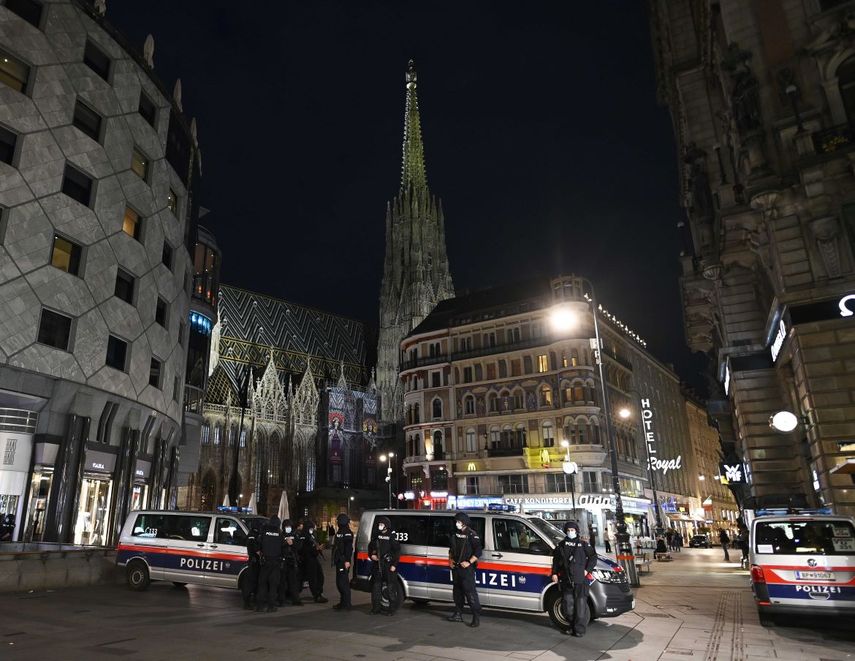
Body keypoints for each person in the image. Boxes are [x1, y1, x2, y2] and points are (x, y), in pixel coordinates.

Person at [551, 520, 597, 637]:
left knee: (580, 606)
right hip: (566, 580)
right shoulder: (561, 545)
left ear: (576, 531)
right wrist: (554, 573)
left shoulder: (583, 544)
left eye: (572, 530)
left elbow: (593, 557)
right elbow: (556, 560)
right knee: (568, 607)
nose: (570, 532)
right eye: (568, 530)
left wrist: (587, 570)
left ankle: (579, 630)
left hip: (581, 580)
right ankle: (571, 626)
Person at [447, 512, 483, 627]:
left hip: (466, 570)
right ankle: (458, 614)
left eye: (459, 522)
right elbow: (451, 549)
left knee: (470, 592)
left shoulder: (472, 534)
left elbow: (478, 551)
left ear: (464, 522)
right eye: (456, 521)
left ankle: (476, 617)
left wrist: (469, 562)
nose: (457, 524)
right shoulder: (455, 534)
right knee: (457, 592)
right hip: (456, 568)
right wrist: (450, 560)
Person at [369, 515, 401, 615]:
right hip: (378, 565)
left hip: (388, 565)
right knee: (376, 588)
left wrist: (394, 565)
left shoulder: (391, 536)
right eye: (379, 524)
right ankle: (376, 608)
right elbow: (371, 547)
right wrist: (371, 555)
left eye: (382, 524)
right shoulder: (376, 535)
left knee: (390, 588)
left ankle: (392, 609)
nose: (380, 526)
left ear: (386, 525)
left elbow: (397, 551)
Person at [256, 515, 283, 613]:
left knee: (262, 584)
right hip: (275, 562)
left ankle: (260, 606)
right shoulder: (280, 534)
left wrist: (260, 552)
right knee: (273, 585)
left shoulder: (264, 532)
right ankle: (271, 606)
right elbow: (283, 547)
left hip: (265, 562)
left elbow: (258, 545)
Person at [299, 519, 329, 603]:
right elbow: (303, 550)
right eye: (311, 528)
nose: (312, 529)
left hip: (314, 558)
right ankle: (317, 595)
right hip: (308, 559)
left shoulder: (311, 535)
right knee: (313, 578)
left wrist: (318, 548)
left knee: (320, 576)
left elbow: (314, 544)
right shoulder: (303, 536)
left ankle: (319, 593)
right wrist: (315, 549)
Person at [332, 512, 354, 610]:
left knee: (343, 583)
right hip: (339, 560)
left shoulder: (347, 532)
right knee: (340, 582)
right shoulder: (341, 531)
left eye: (338, 521)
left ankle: (346, 604)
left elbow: (349, 548)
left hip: (343, 560)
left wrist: (347, 560)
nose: (337, 523)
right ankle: (343, 603)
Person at [278, 519, 302, 606]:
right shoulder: (281, 535)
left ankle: (296, 600)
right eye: (286, 526)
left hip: (292, 561)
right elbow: (278, 546)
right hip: (283, 561)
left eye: (289, 526)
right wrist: (285, 543)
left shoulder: (295, 535)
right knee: (282, 582)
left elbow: (299, 546)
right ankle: (281, 600)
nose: (288, 528)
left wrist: (292, 543)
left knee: (293, 581)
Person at [241, 522, 261, 610]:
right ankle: (247, 603)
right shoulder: (252, 536)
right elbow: (255, 549)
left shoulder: (252, 534)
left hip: (254, 562)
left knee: (254, 583)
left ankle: (251, 601)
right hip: (253, 562)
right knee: (250, 583)